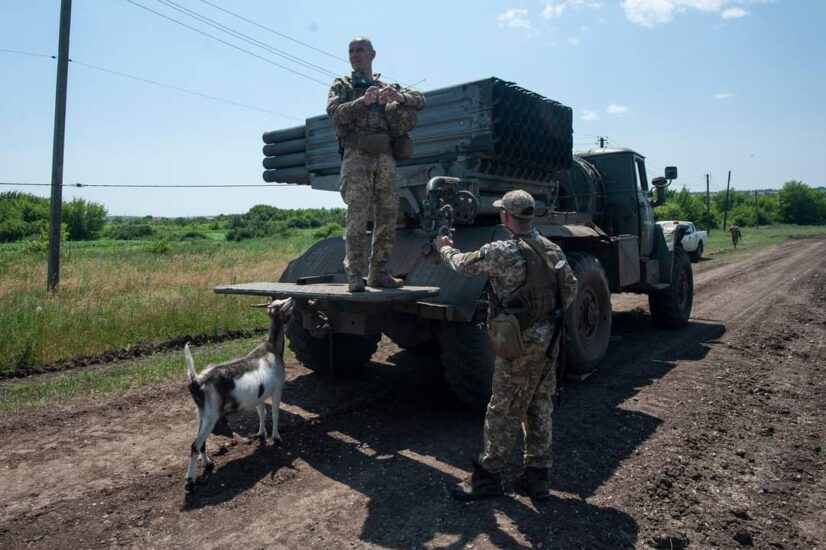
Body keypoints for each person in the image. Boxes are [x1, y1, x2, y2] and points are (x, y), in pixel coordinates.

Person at [435, 190, 578, 501]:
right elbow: (571, 290)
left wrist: (445, 249)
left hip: (518, 343)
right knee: (539, 404)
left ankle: (488, 478)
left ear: (505, 217)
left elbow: (463, 265)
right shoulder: (553, 250)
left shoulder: (502, 250)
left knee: (503, 409)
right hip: (549, 340)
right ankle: (537, 478)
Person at [326, 37, 426, 292]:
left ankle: (379, 272)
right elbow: (335, 114)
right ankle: (354, 275)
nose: (355, 55)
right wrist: (363, 102)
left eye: (360, 50)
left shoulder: (386, 85)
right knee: (357, 215)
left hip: (385, 156)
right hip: (357, 154)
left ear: (373, 54)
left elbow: (421, 100)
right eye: (351, 51)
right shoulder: (342, 85)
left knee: (388, 214)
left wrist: (399, 96)